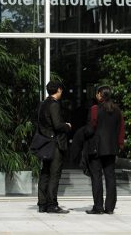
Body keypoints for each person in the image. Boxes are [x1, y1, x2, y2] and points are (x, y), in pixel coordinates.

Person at [85, 85, 125, 215]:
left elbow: (91, 128)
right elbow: (121, 129)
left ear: (99, 95)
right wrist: (119, 144)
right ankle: (110, 207)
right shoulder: (117, 110)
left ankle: (98, 207)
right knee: (110, 177)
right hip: (111, 148)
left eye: (97, 93)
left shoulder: (95, 109)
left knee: (96, 177)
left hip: (96, 148)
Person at [37, 81, 72, 214]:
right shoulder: (54, 105)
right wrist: (67, 126)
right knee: (54, 174)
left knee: (45, 173)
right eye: (61, 90)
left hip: (45, 143)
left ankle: (42, 204)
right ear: (58, 90)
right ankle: (52, 204)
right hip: (55, 143)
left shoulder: (43, 104)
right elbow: (57, 125)